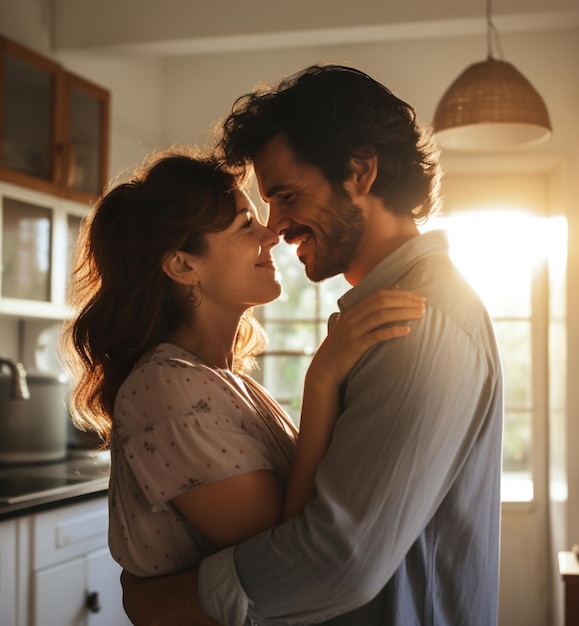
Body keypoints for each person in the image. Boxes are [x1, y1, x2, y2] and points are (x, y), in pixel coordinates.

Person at [123, 64, 504, 626]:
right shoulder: (383, 317)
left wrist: (169, 603)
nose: (273, 228)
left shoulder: (420, 322)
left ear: (360, 172)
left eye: (286, 195)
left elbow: (339, 559)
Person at [61, 146, 425, 582]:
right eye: (245, 225)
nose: (271, 235)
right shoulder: (165, 389)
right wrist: (322, 380)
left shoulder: (224, 381)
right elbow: (285, 559)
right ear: (182, 265)